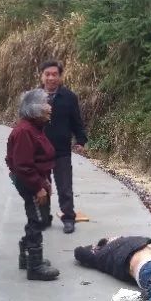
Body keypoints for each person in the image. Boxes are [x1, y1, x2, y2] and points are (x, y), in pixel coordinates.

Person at [6, 89, 60, 281]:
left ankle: (27, 256)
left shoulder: (35, 128)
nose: (50, 108)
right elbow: (23, 165)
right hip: (30, 181)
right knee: (37, 218)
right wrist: (38, 186)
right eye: (46, 103)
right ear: (35, 108)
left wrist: (44, 181)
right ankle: (34, 265)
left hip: (36, 178)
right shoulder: (25, 131)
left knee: (40, 217)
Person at [39, 60, 88, 234]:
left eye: (55, 74)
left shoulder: (69, 97)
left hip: (61, 150)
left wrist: (80, 140)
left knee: (65, 186)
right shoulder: (34, 97)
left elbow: (77, 121)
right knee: (42, 187)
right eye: (48, 74)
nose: (51, 77)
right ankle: (44, 218)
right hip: (39, 151)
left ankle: (68, 218)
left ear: (60, 76)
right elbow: (25, 123)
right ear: (42, 76)